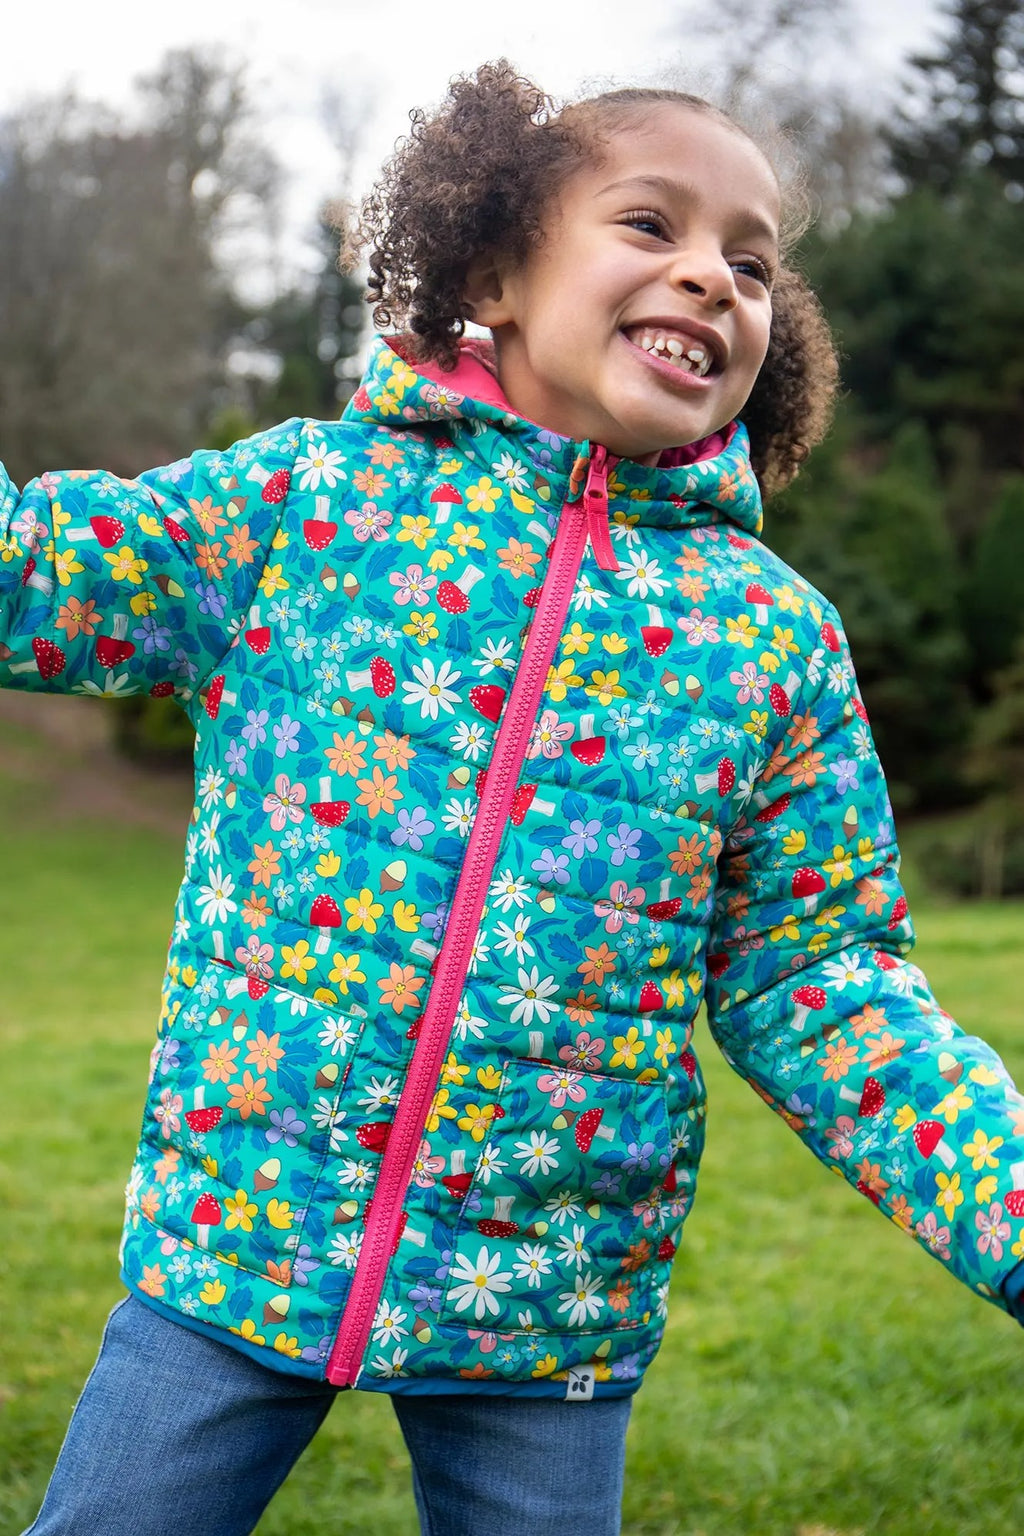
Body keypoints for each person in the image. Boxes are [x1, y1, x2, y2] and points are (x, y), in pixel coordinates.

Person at [3, 58, 1022, 1536]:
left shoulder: (773, 639)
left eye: (751, 262)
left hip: (544, 1292)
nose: (710, 276)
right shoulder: (309, 506)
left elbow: (826, 977)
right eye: (650, 223)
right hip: (233, 1244)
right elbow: (35, 572)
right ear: (493, 265)